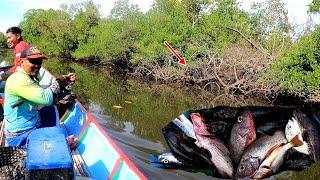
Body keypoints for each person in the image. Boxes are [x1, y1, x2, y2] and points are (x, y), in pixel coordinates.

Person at [3, 46, 76, 147]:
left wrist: (64, 82)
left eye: (39, 62)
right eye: (33, 61)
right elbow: (47, 99)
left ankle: (53, 137)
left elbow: (45, 99)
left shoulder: (30, 76)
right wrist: (59, 82)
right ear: (22, 62)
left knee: (50, 109)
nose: (37, 65)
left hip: (33, 124)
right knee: (49, 104)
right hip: (20, 136)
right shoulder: (19, 79)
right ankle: (56, 142)